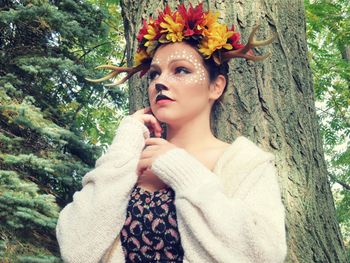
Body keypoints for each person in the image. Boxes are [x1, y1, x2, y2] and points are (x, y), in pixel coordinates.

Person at [56, 3, 287, 263]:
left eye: (181, 70)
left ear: (216, 87)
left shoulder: (245, 163)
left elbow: (263, 255)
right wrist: (126, 143)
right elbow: (76, 249)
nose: (160, 82)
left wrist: (179, 168)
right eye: (154, 74)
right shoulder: (129, 161)